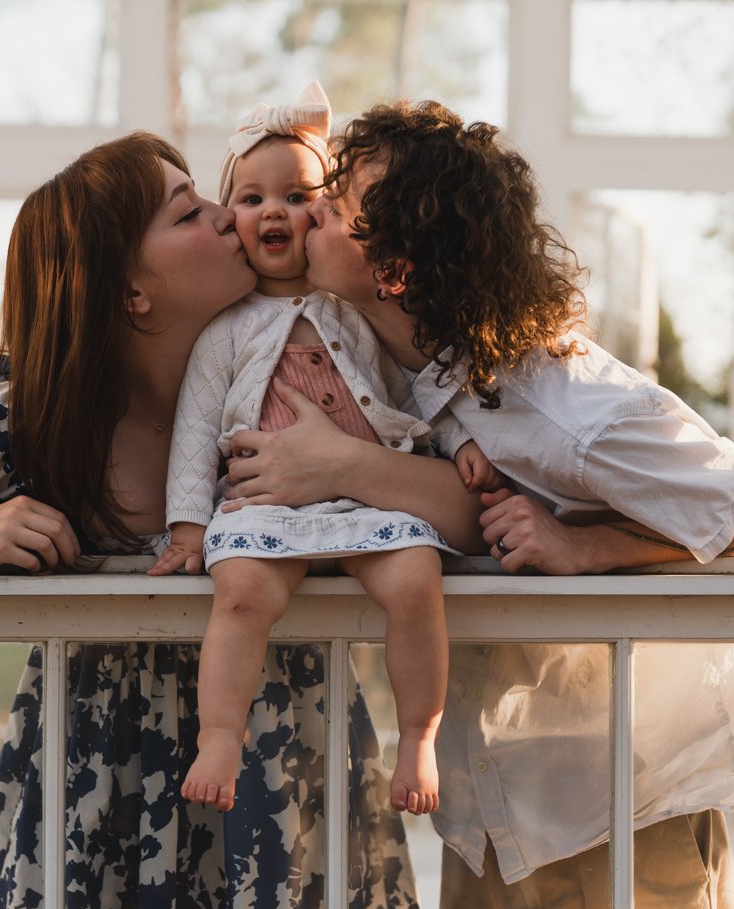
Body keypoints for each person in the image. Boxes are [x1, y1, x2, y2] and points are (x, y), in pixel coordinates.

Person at [0, 131, 485, 909]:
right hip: (105, 775)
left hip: (279, 766)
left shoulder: (328, 354)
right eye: (189, 212)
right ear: (131, 290)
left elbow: (473, 516)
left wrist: (345, 467)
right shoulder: (34, 413)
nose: (230, 216)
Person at [218, 101, 734, 909]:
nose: (308, 216)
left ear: (396, 270)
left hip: (621, 806)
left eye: (335, 208)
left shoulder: (561, 401)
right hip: (492, 810)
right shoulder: (391, 371)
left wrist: (589, 547)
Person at [152, 83, 491, 818]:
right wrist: (187, 526)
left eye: (298, 196)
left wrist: (462, 441)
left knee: (416, 582)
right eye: (250, 199)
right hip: (264, 506)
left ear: (331, 212)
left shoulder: (357, 309)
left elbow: (420, 391)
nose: (272, 211)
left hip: (369, 504)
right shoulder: (225, 330)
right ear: (230, 218)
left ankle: (418, 736)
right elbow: (196, 426)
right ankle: (220, 735)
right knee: (241, 595)